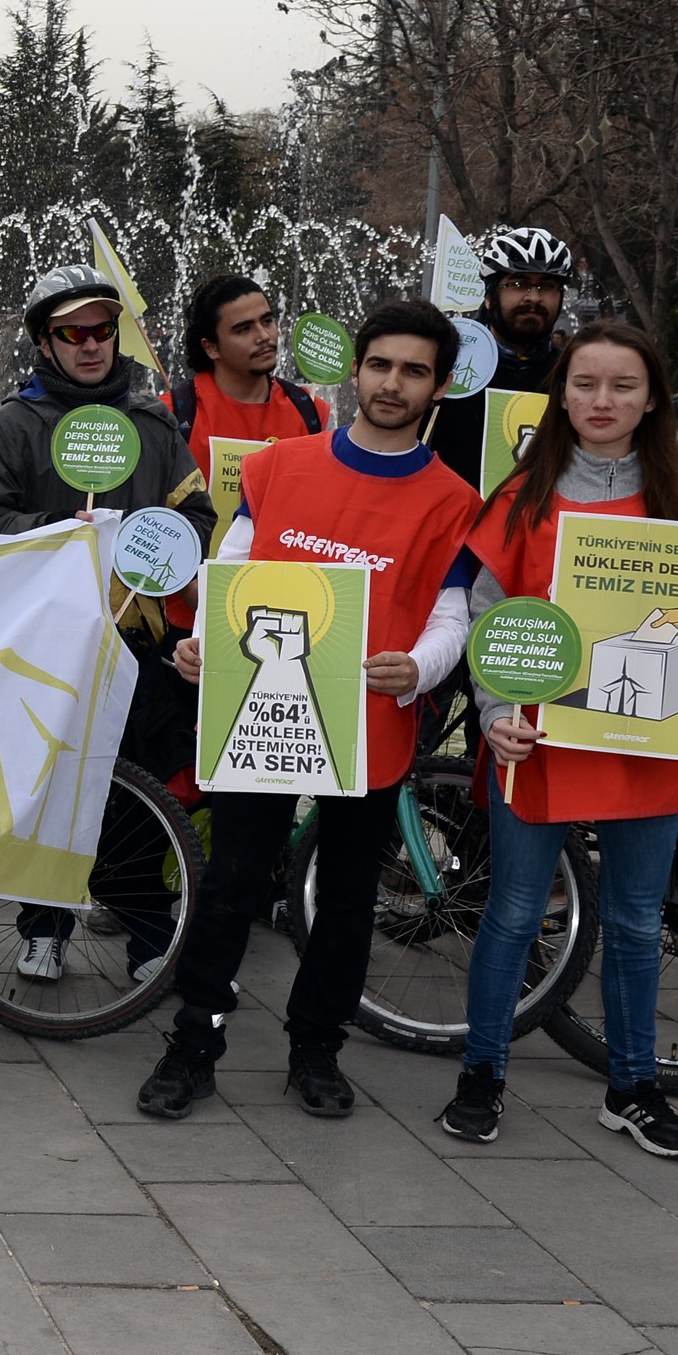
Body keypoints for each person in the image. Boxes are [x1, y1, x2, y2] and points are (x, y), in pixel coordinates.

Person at [143, 301, 481, 1119]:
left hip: (368, 726)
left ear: (437, 387)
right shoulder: (281, 465)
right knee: (228, 882)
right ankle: (194, 1041)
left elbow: (450, 614)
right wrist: (206, 644)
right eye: (380, 364)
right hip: (262, 717)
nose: (391, 382)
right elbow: (235, 565)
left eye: (412, 370)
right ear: (355, 369)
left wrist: (417, 667)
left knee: (347, 900)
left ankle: (315, 1047)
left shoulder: (451, 500)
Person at [446, 319, 678, 1160]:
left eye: (622, 385)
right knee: (510, 917)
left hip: (639, 742)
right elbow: (488, 622)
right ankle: (482, 1071)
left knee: (630, 924)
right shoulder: (521, 498)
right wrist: (490, 714)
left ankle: (631, 1085)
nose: (601, 400)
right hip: (536, 740)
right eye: (585, 383)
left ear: (652, 398)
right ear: (560, 392)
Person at [0, 263, 217, 979]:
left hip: (136, 642)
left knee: (139, 793)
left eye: (102, 328)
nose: (90, 344)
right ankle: (42, 926)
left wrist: (150, 540)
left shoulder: (151, 422)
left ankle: (145, 935)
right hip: (45, 642)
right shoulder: (15, 424)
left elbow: (196, 516)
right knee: (46, 787)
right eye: (72, 332)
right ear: (45, 343)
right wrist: (53, 528)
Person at [432, 227, 572, 491]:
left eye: (548, 286)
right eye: (518, 283)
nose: (534, 296)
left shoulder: (571, 374)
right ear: (489, 297)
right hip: (454, 520)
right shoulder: (450, 363)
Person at [171, 270, 323, 479]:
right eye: (243, 329)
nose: (263, 336)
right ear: (211, 347)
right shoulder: (173, 415)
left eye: (267, 321)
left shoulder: (309, 410)